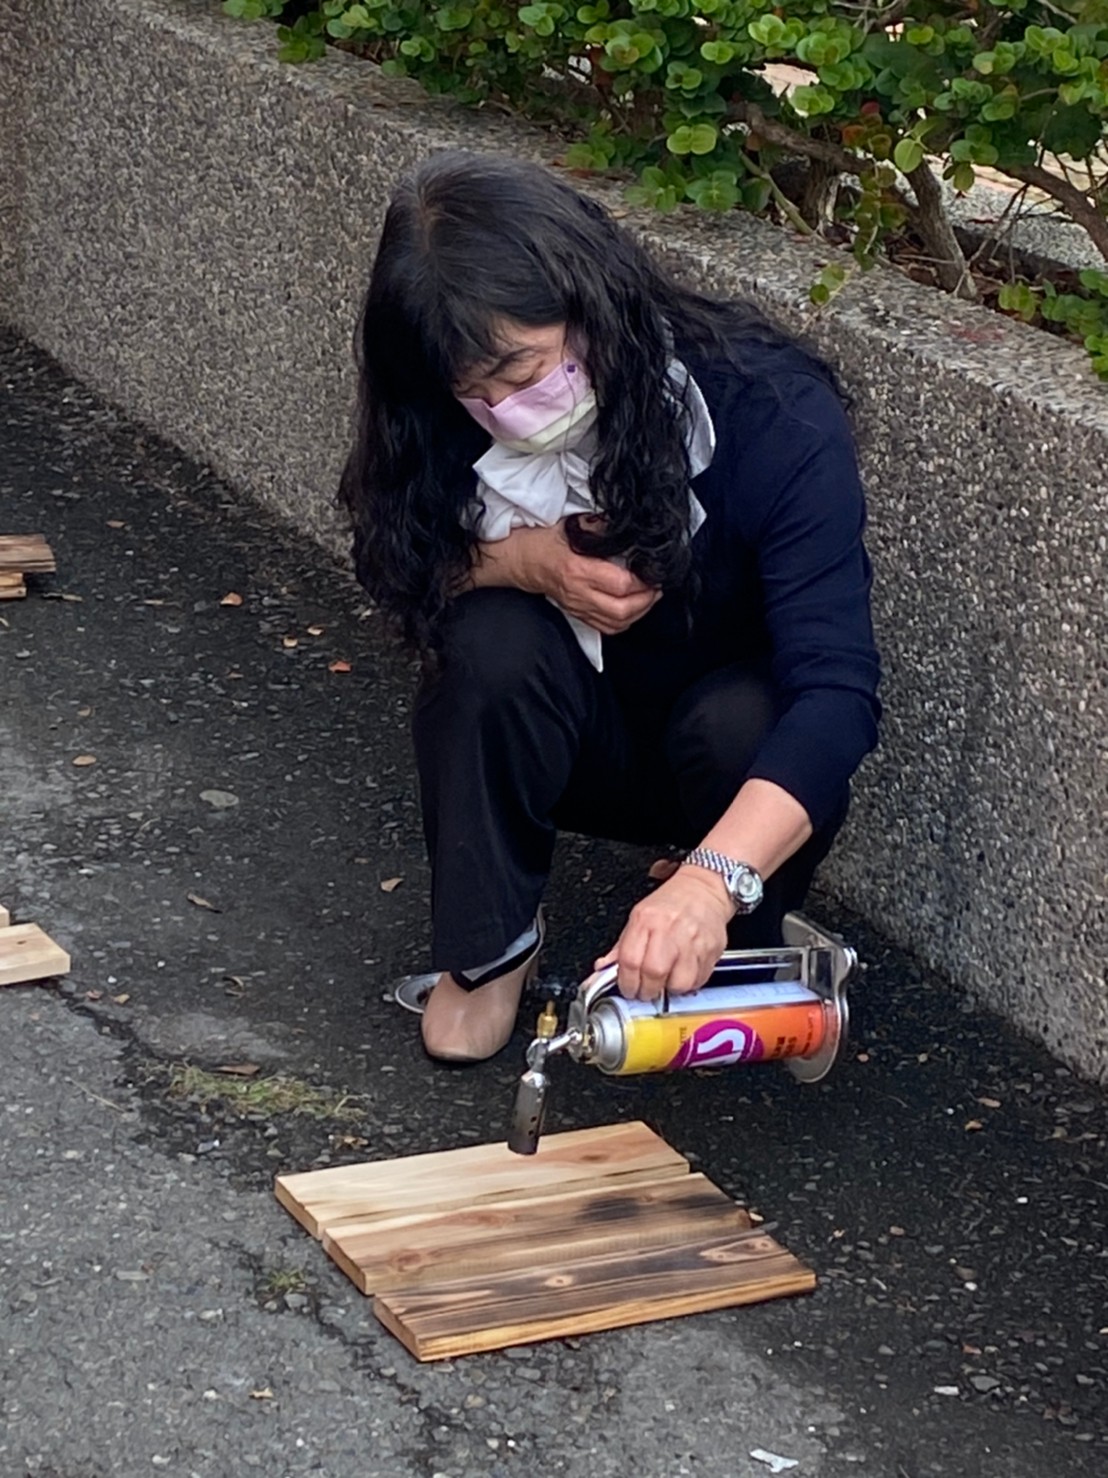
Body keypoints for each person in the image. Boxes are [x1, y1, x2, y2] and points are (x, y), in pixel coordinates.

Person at [340, 151, 880, 1063]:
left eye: (523, 370)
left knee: (745, 717)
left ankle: (732, 905)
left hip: (730, 757)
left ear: (590, 302)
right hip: (571, 735)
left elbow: (838, 694)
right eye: (475, 393)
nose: (508, 411)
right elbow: (392, 562)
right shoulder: (435, 408)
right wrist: (522, 562)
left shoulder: (769, 411)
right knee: (484, 641)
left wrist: (710, 879)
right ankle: (489, 953)